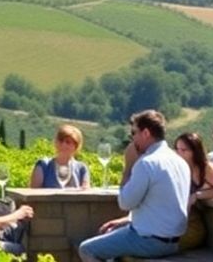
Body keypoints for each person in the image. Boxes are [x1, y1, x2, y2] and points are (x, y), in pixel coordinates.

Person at [78, 110, 190, 262]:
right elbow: (160, 206)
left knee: (86, 249)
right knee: (112, 237)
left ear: (145, 133)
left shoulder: (147, 163)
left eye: (133, 133)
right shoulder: (180, 162)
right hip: (175, 242)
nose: (132, 139)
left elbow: (125, 203)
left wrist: (128, 167)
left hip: (149, 242)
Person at [173, 132, 213, 250]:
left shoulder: (205, 168)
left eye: (184, 150)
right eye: (177, 150)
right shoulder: (180, 167)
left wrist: (197, 195)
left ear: (195, 151)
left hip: (198, 223)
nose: (179, 154)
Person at [30, 124, 92, 189]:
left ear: (75, 146)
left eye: (68, 142)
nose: (63, 144)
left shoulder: (82, 168)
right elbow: (33, 194)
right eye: (61, 140)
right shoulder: (43, 165)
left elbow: (85, 192)